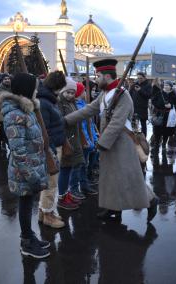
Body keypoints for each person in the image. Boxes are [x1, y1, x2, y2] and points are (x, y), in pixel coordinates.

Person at [63, 59, 158, 223]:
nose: (95, 78)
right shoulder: (105, 94)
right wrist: (65, 120)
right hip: (108, 142)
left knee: (129, 177)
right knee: (110, 178)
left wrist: (102, 143)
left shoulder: (123, 95)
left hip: (122, 141)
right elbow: (88, 109)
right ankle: (113, 209)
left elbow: (117, 122)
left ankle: (150, 201)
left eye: (98, 75)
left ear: (107, 76)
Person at [0, 72, 51, 259]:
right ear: (27, 90)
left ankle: (29, 236)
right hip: (25, 172)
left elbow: (36, 139)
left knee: (28, 204)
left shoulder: (25, 110)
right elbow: (18, 151)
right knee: (25, 204)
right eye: (35, 87)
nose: (37, 90)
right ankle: (26, 243)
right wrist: (33, 176)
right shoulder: (15, 114)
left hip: (31, 169)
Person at [37, 71, 67, 229]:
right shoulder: (45, 102)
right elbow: (45, 130)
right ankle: (48, 215)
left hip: (55, 145)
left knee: (50, 182)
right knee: (51, 182)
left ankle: (44, 212)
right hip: (52, 147)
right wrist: (51, 151)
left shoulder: (48, 100)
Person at [57, 78, 86, 210]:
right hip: (66, 140)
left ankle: (67, 193)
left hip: (75, 139)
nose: (70, 95)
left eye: (72, 93)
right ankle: (62, 196)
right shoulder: (59, 104)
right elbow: (61, 122)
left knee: (70, 168)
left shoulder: (72, 103)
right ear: (63, 91)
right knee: (65, 168)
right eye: (68, 92)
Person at [74, 82, 100, 194]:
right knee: (81, 165)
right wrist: (89, 141)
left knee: (85, 164)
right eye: (84, 90)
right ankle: (80, 186)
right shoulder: (78, 107)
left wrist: (94, 138)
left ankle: (85, 184)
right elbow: (83, 128)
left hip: (89, 140)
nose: (87, 92)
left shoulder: (84, 104)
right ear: (80, 93)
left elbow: (90, 126)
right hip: (83, 142)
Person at [151, 79, 176, 151]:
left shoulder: (174, 95)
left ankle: (164, 143)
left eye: (167, 85)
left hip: (169, 117)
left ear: (171, 86)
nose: (166, 86)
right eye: (165, 85)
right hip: (159, 115)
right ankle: (156, 144)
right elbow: (153, 101)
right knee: (157, 130)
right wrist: (162, 105)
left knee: (166, 132)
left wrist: (171, 105)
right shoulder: (159, 93)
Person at [128, 72, 152, 137]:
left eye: (141, 78)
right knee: (134, 124)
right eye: (138, 78)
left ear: (144, 78)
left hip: (142, 108)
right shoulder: (134, 84)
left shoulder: (148, 85)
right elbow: (129, 95)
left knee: (143, 124)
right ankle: (134, 138)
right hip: (134, 107)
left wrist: (140, 90)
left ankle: (144, 139)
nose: (139, 79)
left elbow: (149, 95)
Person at [0, 73, 11, 152]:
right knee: (3, 128)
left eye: (8, 79)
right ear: (2, 80)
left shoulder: (11, 87)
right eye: (5, 79)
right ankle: (6, 144)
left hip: (9, 111)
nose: (7, 80)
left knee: (2, 129)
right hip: (2, 110)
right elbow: (1, 98)